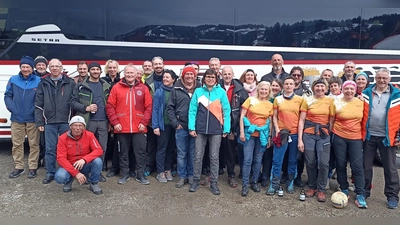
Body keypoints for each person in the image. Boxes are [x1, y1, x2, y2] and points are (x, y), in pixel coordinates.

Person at [106, 64, 152, 185]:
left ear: (136, 74)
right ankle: (124, 174)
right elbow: (110, 106)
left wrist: (144, 122)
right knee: (123, 152)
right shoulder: (116, 88)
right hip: (121, 127)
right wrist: (115, 123)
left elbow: (149, 107)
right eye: (127, 73)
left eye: (132, 73)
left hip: (139, 127)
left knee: (141, 152)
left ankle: (140, 175)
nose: (130, 75)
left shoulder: (143, 88)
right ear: (124, 74)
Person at [362, 68, 400, 209]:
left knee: (390, 168)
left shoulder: (397, 95)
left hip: (387, 137)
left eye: (384, 78)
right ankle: (364, 191)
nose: (381, 80)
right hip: (369, 136)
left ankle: (392, 196)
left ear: (389, 79)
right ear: (375, 79)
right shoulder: (366, 93)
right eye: (379, 78)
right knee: (365, 166)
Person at [188, 69, 231, 195]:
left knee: (214, 157)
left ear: (216, 79)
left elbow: (226, 112)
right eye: (208, 77)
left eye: (213, 77)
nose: (210, 79)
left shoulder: (221, 92)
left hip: (216, 129)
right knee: (198, 156)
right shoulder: (198, 91)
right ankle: (196, 181)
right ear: (204, 79)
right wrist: (192, 127)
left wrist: (226, 128)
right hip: (200, 129)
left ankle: (214, 183)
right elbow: (192, 111)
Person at [35, 58, 76, 184]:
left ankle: (67, 170)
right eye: (52, 66)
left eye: (57, 66)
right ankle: (50, 172)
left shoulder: (70, 82)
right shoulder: (43, 82)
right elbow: (38, 104)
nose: (54, 68)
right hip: (49, 122)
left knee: (67, 149)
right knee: (50, 149)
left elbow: (74, 101)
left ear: (61, 68)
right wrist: (39, 122)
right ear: (49, 68)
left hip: (65, 122)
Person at [71, 62, 111, 182]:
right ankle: (85, 172)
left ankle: (97, 172)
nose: (95, 71)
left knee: (102, 148)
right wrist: (85, 108)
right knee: (86, 149)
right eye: (92, 69)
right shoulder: (81, 86)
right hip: (88, 122)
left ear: (100, 71)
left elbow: (110, 105)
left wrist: (110, 122)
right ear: (89, 71)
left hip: (103, 121)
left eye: (97, 69)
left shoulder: (106, 85)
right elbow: (72, 102)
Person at [331, 81, 367, 208]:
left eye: (352, 89)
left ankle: (361, 194)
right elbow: (332, 119)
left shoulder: (361, 102)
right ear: (343, 89)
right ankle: (344, 189)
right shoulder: (337, 102)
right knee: (340, 165)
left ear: (355, 90)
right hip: (339, 136)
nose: (349, 91)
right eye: (347, 89)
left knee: (357, 166)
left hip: (356, 138)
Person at [298, 77, 334, 202]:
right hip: (308, 134)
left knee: (324, 163)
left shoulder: (330, 101)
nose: (319, 88)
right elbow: (301, 120)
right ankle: (312, 187)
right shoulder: (307, 100)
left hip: (323, 135)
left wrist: (329, 132)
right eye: (317, 86)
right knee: (310, 161)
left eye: (322, 86)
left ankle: (322, 189)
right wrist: (300, 140)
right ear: (313, 88)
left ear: (326, 88)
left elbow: (331, 119)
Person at [5, 56, 41, 179]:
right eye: (23, 67)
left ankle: (32, 167)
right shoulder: (13, 79)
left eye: (28, 67)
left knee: (34, 145)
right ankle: (18, 167)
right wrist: (11, 107)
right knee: (17, 144)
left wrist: (35, 111)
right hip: (16, 118)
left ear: (32, 68)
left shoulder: (39, 81)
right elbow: (7, 95)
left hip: (32, 119)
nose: (25, 69)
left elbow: (41, 100)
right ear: (20, 67)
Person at [267, 77, 303, 195]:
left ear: (294, 86)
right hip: (281, 134)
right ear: (283, 86)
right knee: (277, 159)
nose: (288, 86)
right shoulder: (278, 99)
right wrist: (277, 130)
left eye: (290, 84)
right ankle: (274, 184)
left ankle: (290, 181)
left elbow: (302, 119)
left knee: (293, 160)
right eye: (286, 84)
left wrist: (300, 138)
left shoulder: (300, 100)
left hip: (295, 134)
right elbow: (275, 117)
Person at [167, 66, 200, 188]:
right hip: (181, 127)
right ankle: (182, 176)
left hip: (196, 128)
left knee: (193, 153)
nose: (189, 76)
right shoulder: (176, 89)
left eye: (192, 74)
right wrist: (175, 123)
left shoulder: (200, 89)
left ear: (195, 76)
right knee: (181, 153)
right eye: (187, 74)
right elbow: (170, 108)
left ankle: (191, 175)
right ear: (183, 76)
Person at [239, 81, 273, 196]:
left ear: (269, 92)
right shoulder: (250, 100)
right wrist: (242, 132)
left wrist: (269, 137)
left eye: (266, 90)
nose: (263, 91)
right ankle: (244, 184)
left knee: (258, 160)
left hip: (262, 136)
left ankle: (254, 182)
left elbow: (270, 122)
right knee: (247, 160)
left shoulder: (270, 104)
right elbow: (242, 116)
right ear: (258, 89)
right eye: (262, 89)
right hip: (249, 135)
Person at [54, 116, 103, 195]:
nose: (77, 128)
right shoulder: (63, 138)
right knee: (60, 177)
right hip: (70, 165)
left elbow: (98, 150)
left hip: (84, 164)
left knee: (98, 161)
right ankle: (69, 180)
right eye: (75, 125)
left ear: (84, 127)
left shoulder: (89, 135)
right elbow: (61, 158)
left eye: (80, 126)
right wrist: (76, 173)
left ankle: (94, 183)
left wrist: (84, 159)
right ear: (70, 126)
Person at [219, 66, 249, 188]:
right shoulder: (216, 87)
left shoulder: (240, 90)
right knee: (215, 151)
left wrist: (235, 128)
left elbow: (245, 109)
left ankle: (231, 175)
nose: (227, 76)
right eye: (224, 74)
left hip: (232, 125)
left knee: (231, 152)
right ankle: (214, 173)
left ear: (233, 74)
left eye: (229, 74)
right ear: (221, 75)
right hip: (216, 124)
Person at [152, 69, 177, 183]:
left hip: (174, 126)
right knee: (162, 149)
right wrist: (155, 126)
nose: (165, 79)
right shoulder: (159, 92)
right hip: (163, 125)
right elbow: (155, 109)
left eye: (167, 77)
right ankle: (160, 172)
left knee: (171, 149)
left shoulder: (176, 91)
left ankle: (168, 169)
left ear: (173, 79)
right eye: (164, 77)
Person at [259, 78, 282, 187]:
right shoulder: (265, 99)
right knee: (259, 154)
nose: (275, 88)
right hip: (262, 128)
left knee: (268, 154)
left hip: (273, 129)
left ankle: (265, 176)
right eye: (273, 85)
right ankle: (258, 174)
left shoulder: (280, 99)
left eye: (277, 86)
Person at [144, 56, 164, 176]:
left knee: (166, 144)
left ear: (163, 65)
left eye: (159, 64)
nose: (158, 66)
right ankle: (150, 166)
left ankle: (166, 167)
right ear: (152, 66)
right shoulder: (147, 81)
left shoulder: (170, 77)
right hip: (152, 116)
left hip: (166, 116)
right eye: (155, 64)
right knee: (151, 144)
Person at [33, 55, 49, 168]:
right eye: (39, 64)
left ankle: (44, 159)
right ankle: (37, 159)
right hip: (33, 112)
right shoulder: (31, 76)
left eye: (43, 64)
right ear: (35, 66)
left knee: (44, 141)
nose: (41, 66)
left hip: (44, 114)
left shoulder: (49, 77)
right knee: (35, 141)